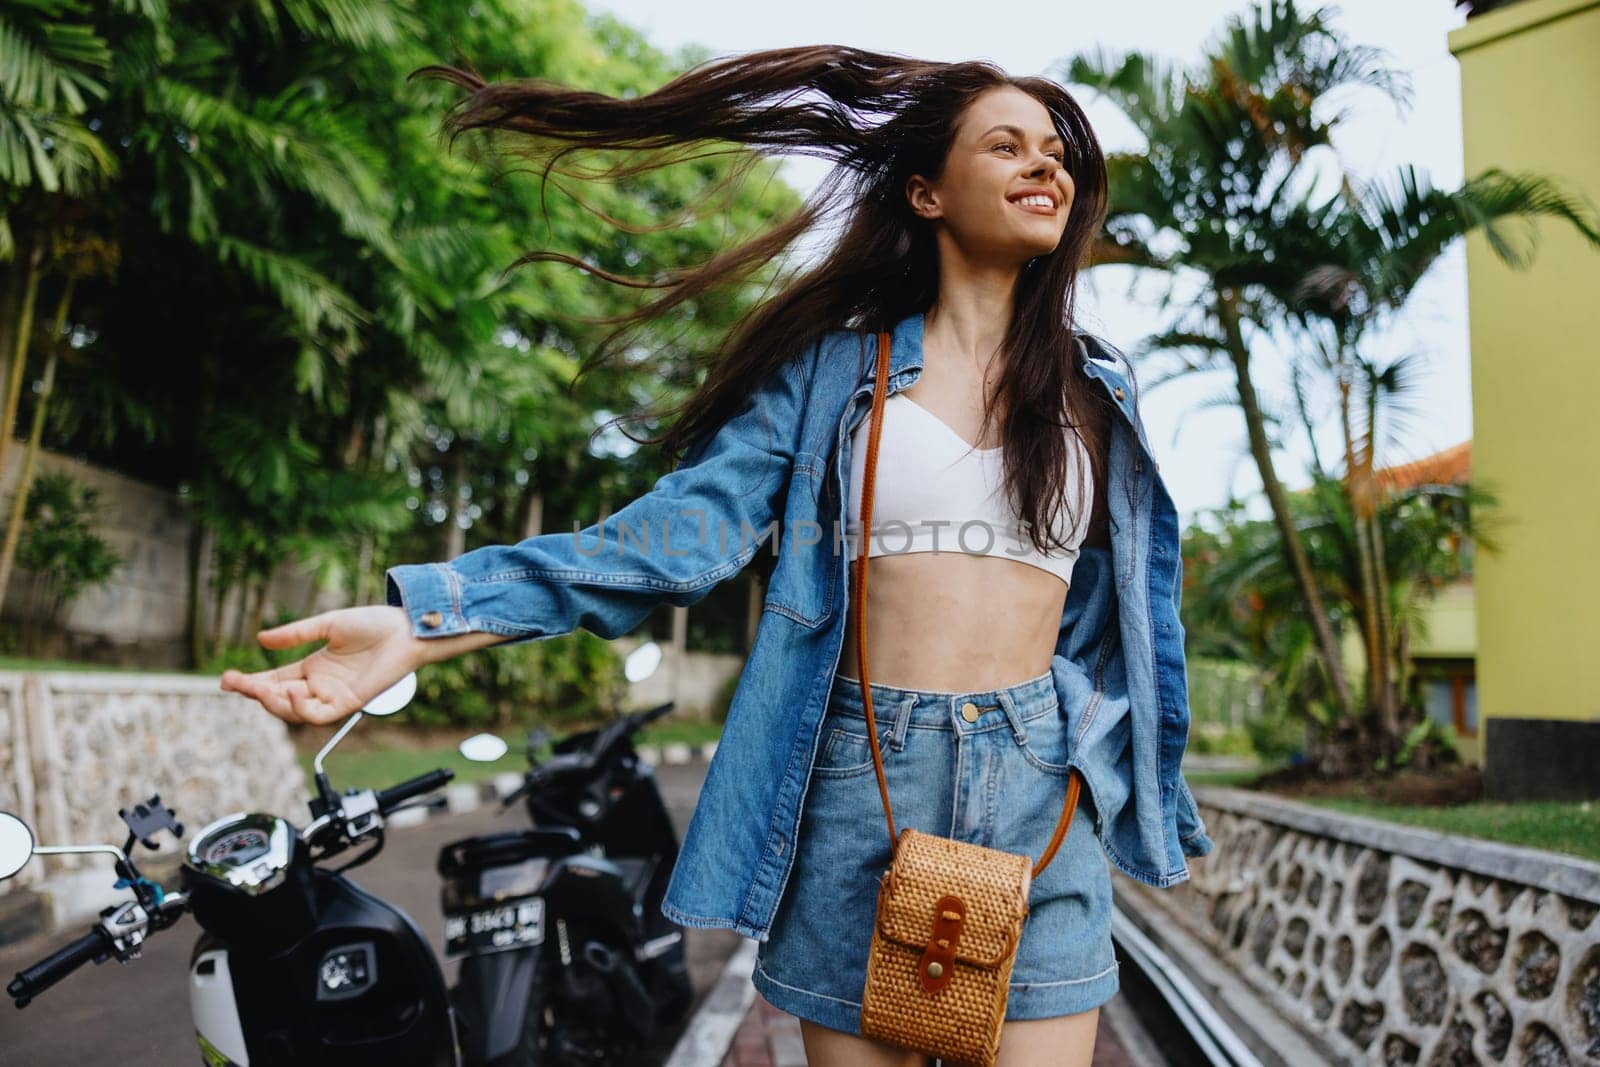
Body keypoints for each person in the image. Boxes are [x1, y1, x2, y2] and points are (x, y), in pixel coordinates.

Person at [220, 45, 1214, 1067]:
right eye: (1004, 145)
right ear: (924, 190)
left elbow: (1120, 619)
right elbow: (668, 541)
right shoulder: (835, 372)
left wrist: (1090, 754)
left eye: (1056, 153)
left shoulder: (1094, 397)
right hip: (857, 781)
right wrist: (423, 623)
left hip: (1038, 788)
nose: (1044, 166)